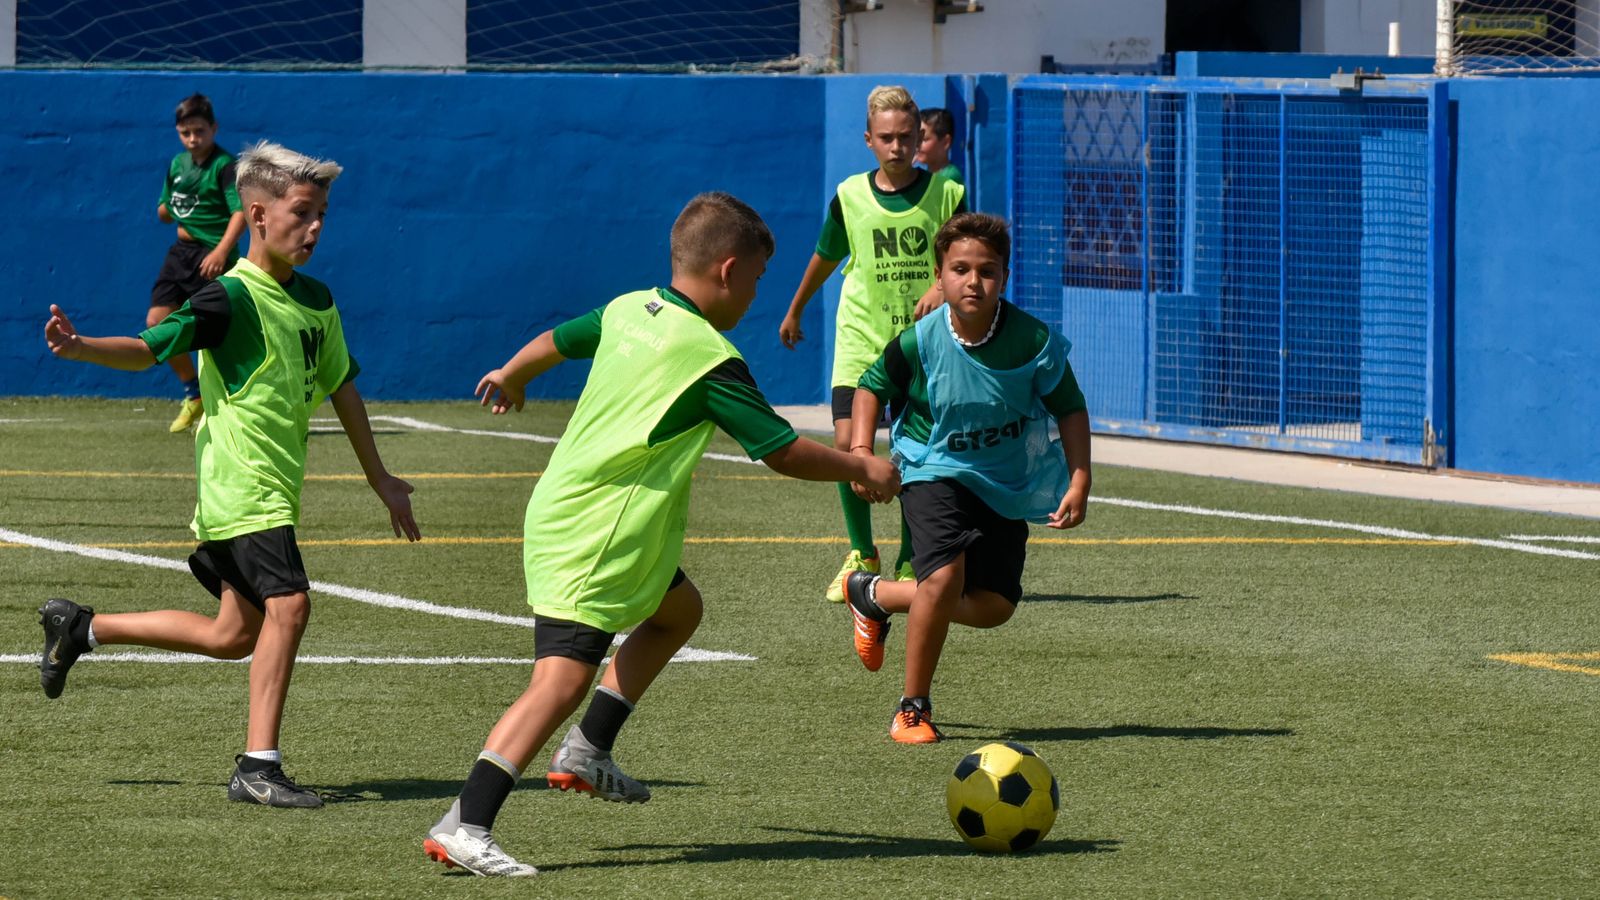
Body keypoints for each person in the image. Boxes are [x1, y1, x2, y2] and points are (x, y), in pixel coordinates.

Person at [423, 192, 900, 877]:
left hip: (588, 517)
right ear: (730, 271)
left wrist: (512, 373)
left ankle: (589, 750)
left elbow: (559, 340)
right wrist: (860, 464)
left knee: (679, 611)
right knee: (558, 682)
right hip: (598, 532)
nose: (758, 295)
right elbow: (782, 450)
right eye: (761, 280)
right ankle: (466, 822)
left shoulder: (629, 308)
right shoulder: (709, 357)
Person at [39, 140, 421, 807]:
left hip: (269, 493)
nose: (316, 226)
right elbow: (150, 349)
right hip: (242, 490)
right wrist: (81, 348)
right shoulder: (227, 300)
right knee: (291, 607)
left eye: (323, 213)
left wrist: (381, 479)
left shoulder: (317, 300)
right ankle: (258, 766)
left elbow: (343, 388)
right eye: (303, 212)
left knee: (232, 635)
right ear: (258, 215)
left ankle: (83, 628)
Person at [842, 212, 1091, 744]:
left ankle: (876, 594)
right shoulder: (919, 341)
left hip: (1001, 480)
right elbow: (870, 387)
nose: (973, 281)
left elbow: (1070, 407)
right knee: (943, 578)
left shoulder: (1032, 340)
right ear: (940, 274)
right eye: (960, 269)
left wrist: (1080, 478)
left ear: (1004, 276)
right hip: (932, 466)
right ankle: (911, 708)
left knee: (995, 607)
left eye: (987, 271)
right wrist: (863, 451)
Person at [778, 85, 966, 602]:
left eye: (907, 136)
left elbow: (963, 252)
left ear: (920, 137)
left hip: (919, 347)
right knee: (846, 447)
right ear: (868, 139)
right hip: (860, 338)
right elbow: (825, 253)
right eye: (886, 137)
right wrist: (795, 308)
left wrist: (938, 284)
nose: (897, 146)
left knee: (913, 454)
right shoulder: (850, 196)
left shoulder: (946, 194)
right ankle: (862, 553)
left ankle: (910, 555)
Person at [152, 94, 248, 433]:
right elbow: (165, 210)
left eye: (199, 131)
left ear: (214, 128)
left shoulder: (225, 166)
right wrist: (169, 209)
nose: (193, 139)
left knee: (219, 335)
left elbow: (241, 212)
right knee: (157, 322)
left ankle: (230, 403)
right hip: (181, 253)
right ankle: (194, 394)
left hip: (213, 256)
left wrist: (221, 252)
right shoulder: (178, 164)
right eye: (185, 132)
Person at [916, 107, 963, 185]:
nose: (917, 144)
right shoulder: (925, 176)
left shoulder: (949, 177)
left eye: (924, 139)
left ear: (945, 142)